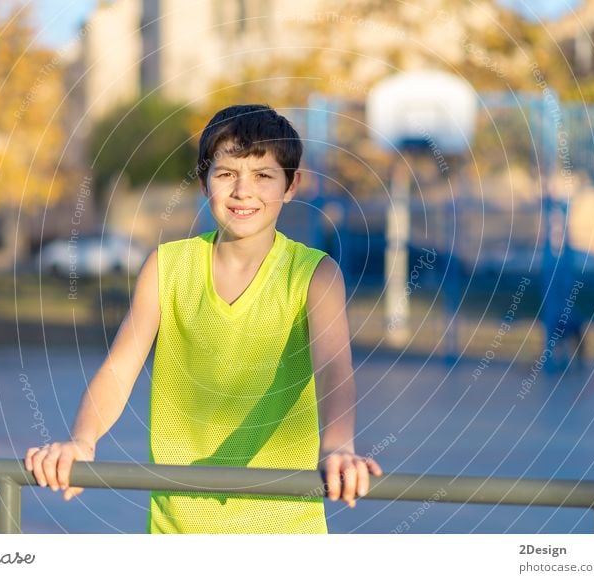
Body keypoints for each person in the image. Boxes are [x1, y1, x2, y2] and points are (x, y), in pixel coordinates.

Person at [25, 104, 383, 533]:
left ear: (292, 186)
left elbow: (334, 370)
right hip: (179, 529)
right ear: (203, 180)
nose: (242, 191)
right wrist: (83, 441)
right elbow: (120, 369)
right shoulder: (167, 266)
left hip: (286, 530)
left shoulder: (314, 274)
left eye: (263, 175)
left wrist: (339, 447)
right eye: (227, 173)